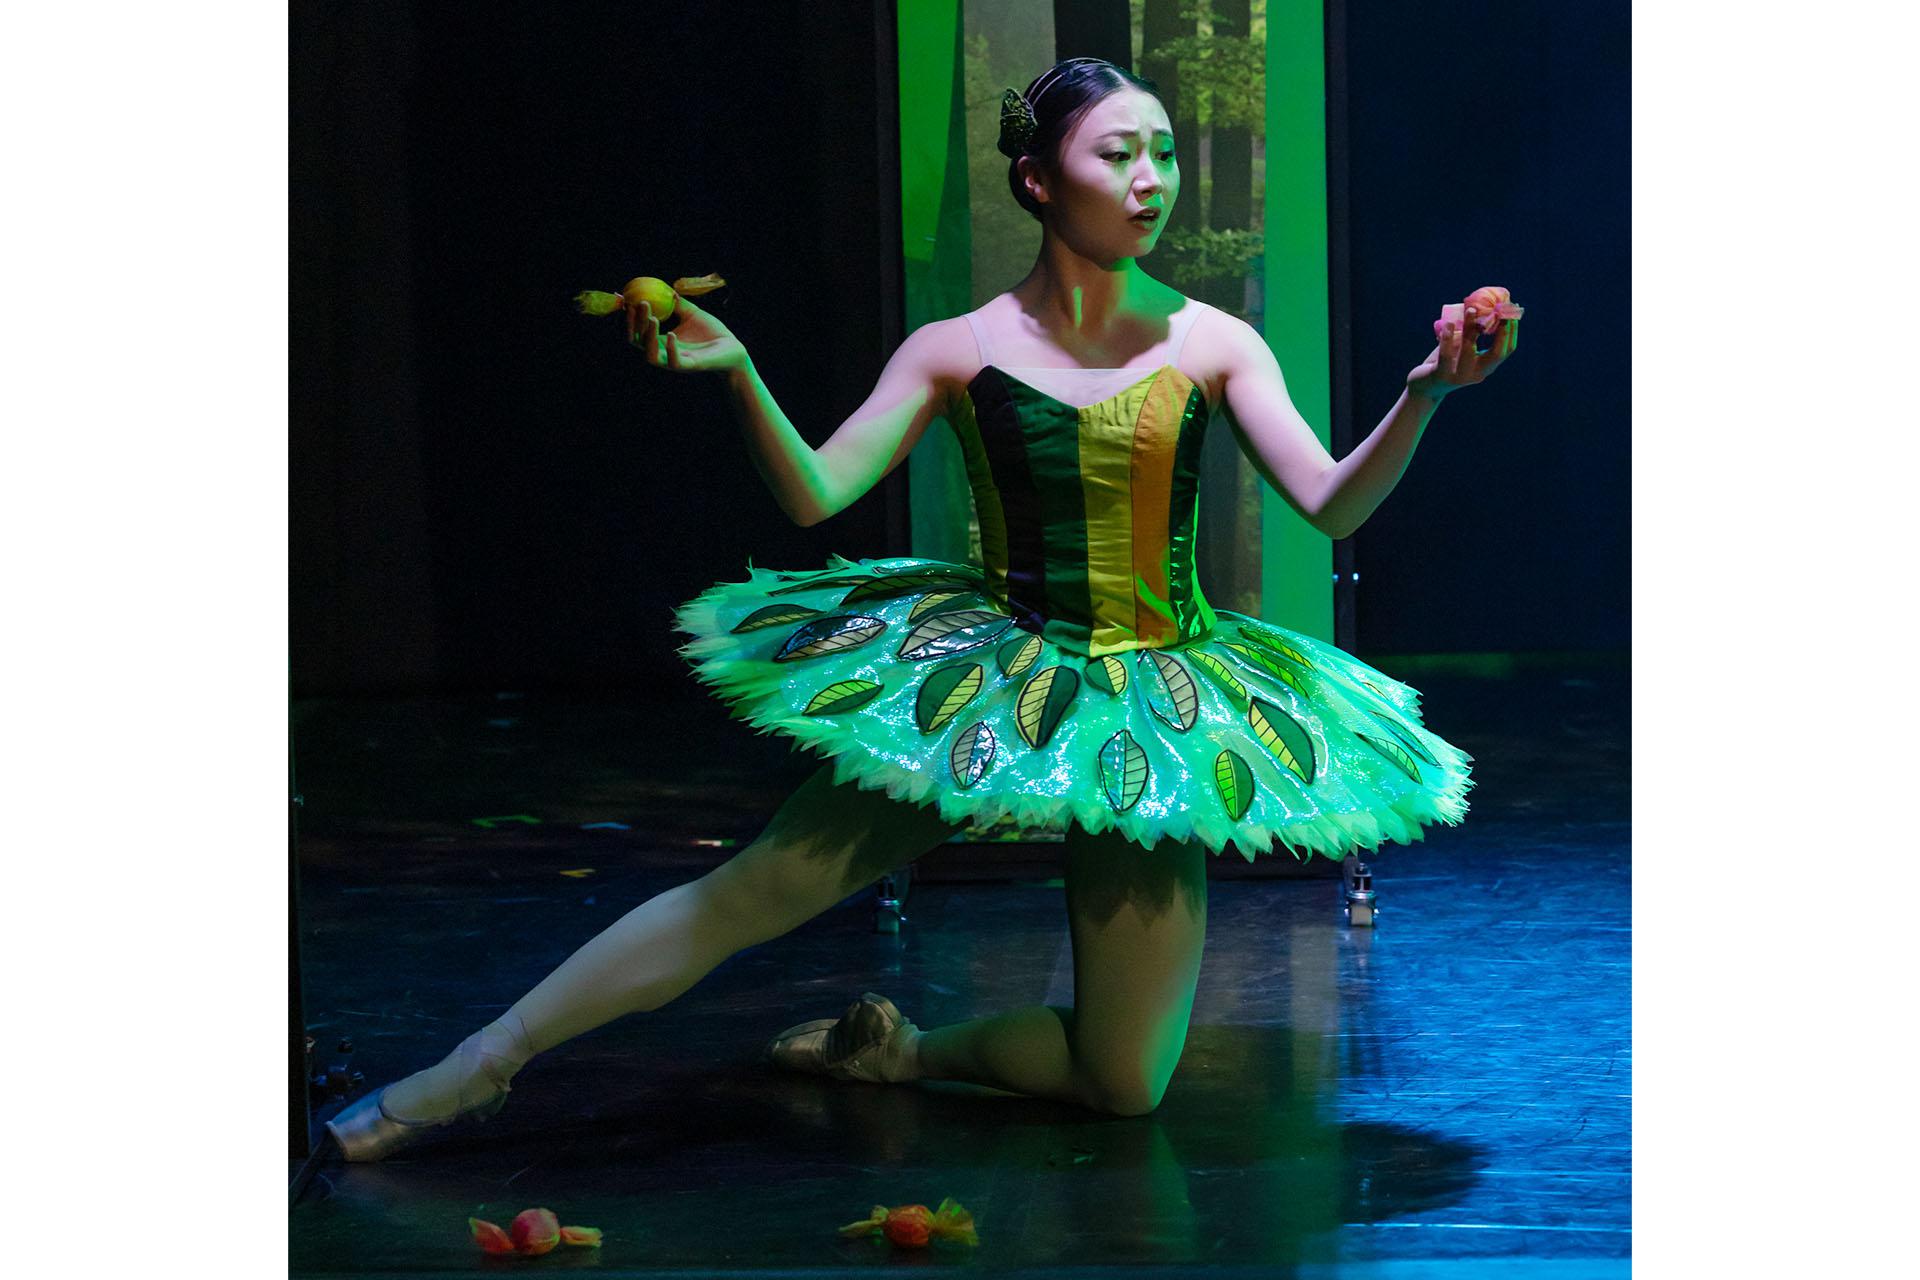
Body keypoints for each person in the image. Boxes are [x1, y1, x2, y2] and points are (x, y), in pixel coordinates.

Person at [327, 56, 1519, 1161]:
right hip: (983, 678)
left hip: (1156, 702)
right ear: (1039, 180)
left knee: (1124, 1084)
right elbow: (816, 492)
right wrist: (738, 373)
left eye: (1159, 149)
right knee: (749, 891)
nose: (1149, 178)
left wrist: (1422, 395)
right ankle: (475, 1063)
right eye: (1118, 153)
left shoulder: (1215, 343)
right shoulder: (957, 347)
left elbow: (1330, 503)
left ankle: (901, 1054)